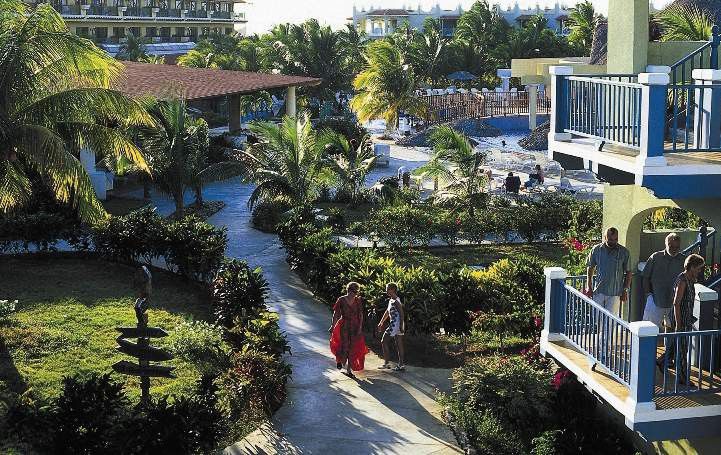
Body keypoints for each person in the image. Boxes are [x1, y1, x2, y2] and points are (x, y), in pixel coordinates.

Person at [657, 254, 705, 383]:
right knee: (683, 349)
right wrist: (679, 324)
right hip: (680, 319)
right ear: (692, 267)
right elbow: (676, 303)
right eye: (698, 268)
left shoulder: (690, 280)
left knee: (674, 345)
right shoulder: (683, 281)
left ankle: (661, 361)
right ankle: (683, 379)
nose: (700, 271)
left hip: (685, 318)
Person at [585, 227, 632, 318]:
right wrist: (589, 286)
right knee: (597, 319)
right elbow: (590, 267)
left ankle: (607, 333)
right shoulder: (596, 249)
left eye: (616, 239)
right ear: (605, 237)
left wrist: (625, 289)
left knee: (610, 321)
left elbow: (629, 272)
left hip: (615, 293)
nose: (613, 242)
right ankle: (600, 333)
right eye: (610, 239)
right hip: (598, 291)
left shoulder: (624, 252)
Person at [642, 233, 685, 329]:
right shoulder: (655, 257)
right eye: (672, 246)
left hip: (674, 302)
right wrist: (648, 295)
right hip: (656, 300)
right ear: (666, 244)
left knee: (671, 329)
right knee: (649, 329)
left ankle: (668, 345)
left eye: (677, 247)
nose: (674, 249)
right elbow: (645, 277)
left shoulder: (683, 260)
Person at [329, 282, 369, 377]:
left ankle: (349, 370)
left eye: (356, 292)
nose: (355, 294)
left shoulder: (357, 301)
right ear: (349, 290)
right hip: (344, 326)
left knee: (353, 348)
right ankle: (339, 360)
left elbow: (361, 315)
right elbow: (336, 314)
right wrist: (332, 325)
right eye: (353, 291)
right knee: (343, 345)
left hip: (355, 326)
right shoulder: (341, 300)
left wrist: (359, 328)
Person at [377, 283, 405, 371]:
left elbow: (401, 314)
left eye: (388, 289)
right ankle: (401, 365)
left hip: (395, 325)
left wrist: (400, 326)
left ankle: (387, 363)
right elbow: (387, 311)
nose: (386, 290)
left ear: (393, 289)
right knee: (398, 344)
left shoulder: (396, 301)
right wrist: (381, 322)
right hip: (396, 324)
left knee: (384, 341)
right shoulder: (391, 300)